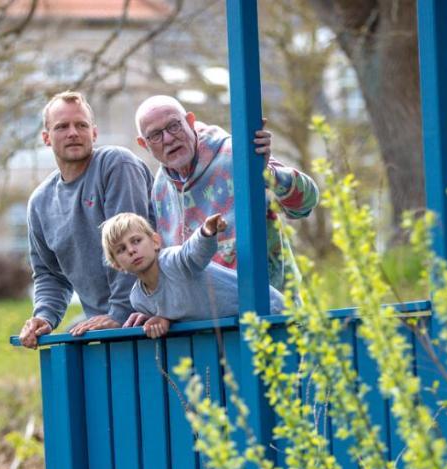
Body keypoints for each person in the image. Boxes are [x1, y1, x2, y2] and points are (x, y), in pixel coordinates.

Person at [131, 95, 318, 319]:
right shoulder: (160, 188)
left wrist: (268, 173)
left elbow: (306, 204)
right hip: (206, 330)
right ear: (144, 144)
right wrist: (158, 310)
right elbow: (174, 269)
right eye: (155, 135)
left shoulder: (236, 154)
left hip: (271, 317)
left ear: (190, 121)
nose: (169, 138)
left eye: (174, 126)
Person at [18, 91, 155, 349]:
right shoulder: (40, 202)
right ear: (46, 138)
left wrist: (119, 313)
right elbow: (49, 274)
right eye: (62, 127)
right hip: (103, 332)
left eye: (81, 125)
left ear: (94, 133)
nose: (73, 132)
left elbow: (130, 245)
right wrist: (44, 316)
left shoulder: (115, 165)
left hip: (151, 321)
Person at [100, 212, 285, 338]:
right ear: (117, 265)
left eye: (136, 241)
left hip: (270, 311)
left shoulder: (172, 262)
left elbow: (192, 253)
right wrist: (165, 319)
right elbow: (179, 307)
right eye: (121, 249)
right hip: (237, 330)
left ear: (155, 241)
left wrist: (206, 232)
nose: (132, 250)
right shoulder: (139, 299)